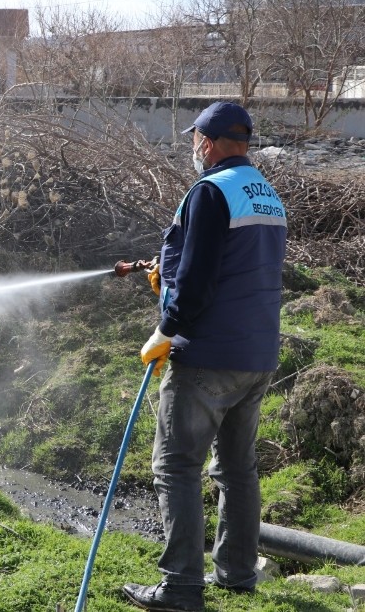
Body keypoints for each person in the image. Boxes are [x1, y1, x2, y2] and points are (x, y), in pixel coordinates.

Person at [122, 101, 287, 611]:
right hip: (257, 352)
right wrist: (166, 278)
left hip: (209, 354)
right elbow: (233, 267)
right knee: (237, 469)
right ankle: (237, 575)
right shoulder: (264, 193)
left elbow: (198, 281)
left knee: (176, 465)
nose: (194, 147)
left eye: (196, 139)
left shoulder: (210, 191)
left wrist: (166, 329)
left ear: (208, 143)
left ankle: (180, 587)